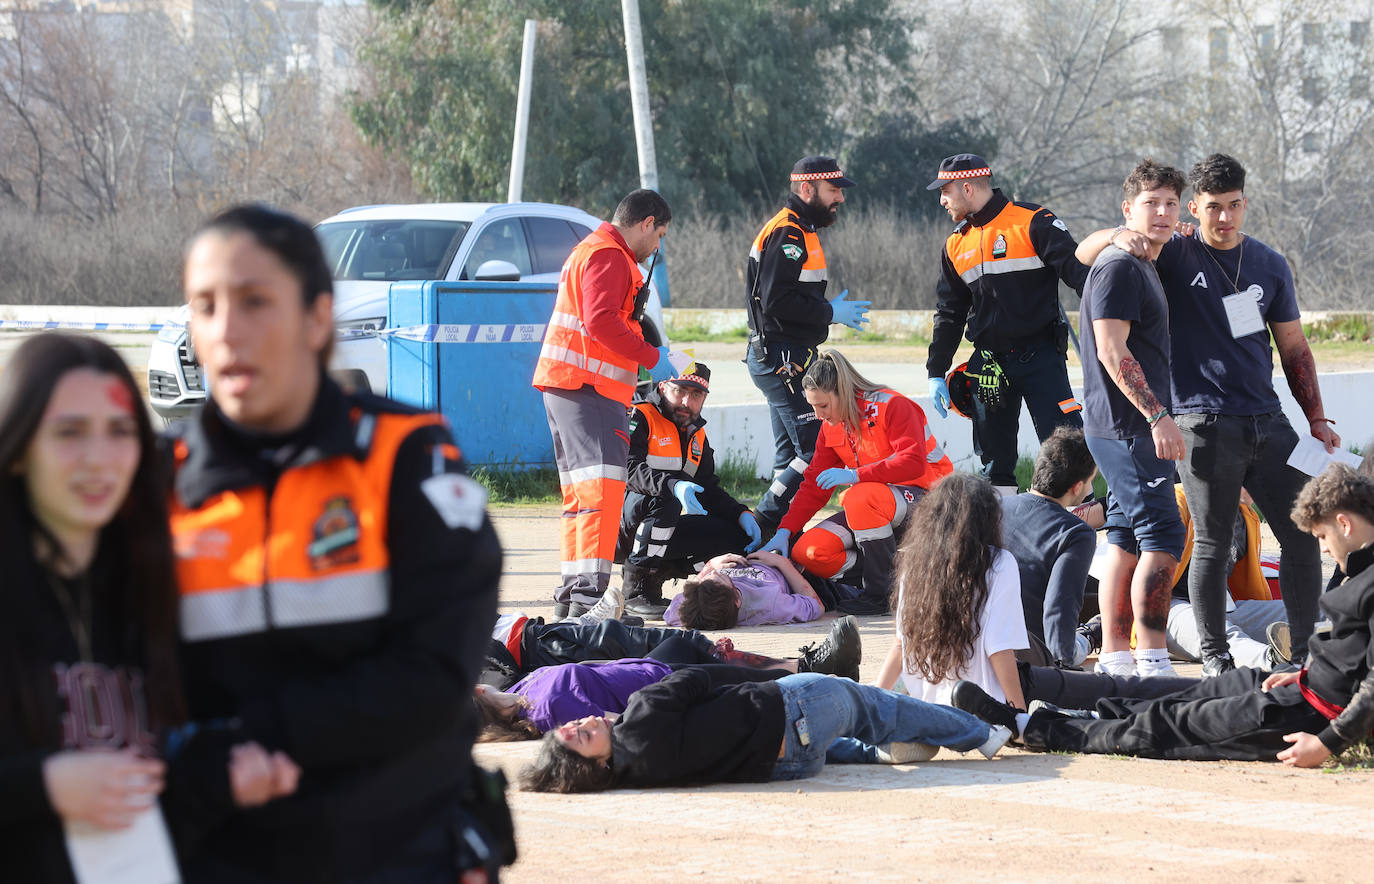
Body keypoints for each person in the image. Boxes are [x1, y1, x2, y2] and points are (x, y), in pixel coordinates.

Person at [171, 204, 505, 882]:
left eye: (256, 302)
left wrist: (250, 737)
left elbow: (434, 675)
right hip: (222, 853)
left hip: (395, 852)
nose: (227, 331)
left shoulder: (403, 455)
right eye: (204, 306)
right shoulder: (161, 483)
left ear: (318, 317)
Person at [0, 333, 296, 883]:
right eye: (69, 433)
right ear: (18, 449)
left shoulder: (153, 591)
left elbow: (162, 794)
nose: (99, 458)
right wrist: (46, 785)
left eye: (120, 431)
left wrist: (223, 778)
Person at [1075, 154, 1336, 673]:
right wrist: (1116, 234)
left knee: (1303, 531)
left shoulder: (1269, 264)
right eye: (1213, 207)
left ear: (1245, 205)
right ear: (1197, 208)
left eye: (1235, 206)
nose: (1225, 218)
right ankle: (1216, 657)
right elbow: (1083, 255)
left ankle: (1304, 654)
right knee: (1212, 540)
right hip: (1200, 421)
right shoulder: (1172, 250)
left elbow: (1295, 348)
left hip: (1267, 419)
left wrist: (1316, 417)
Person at [953, 464, 1374, 768]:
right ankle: (1076, 714)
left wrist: (1328, 743)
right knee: (1169, 694)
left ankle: (1030, 727)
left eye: (1322, 537)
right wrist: (1304, 668)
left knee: (1165, 726)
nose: (1321, 548)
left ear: (1345, 523)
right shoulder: (1356, 568)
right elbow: (1347, 649)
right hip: (1294, 687)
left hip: (1302, 715)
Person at [533, 188, 678, 619]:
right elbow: (601, 321)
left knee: (581, 498)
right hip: (590, 390)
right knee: (602, 494)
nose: (658, 246)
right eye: (660, 234)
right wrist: (654, 357)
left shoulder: (591, 250)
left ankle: (574, 595)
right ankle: (589, 600)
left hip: (572, 387)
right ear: (647, 222)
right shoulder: (611, 255)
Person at [519, 668, 1013, 793]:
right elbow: (697, 675)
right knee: (877, 705)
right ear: (597, 764)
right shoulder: (640, 713)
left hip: (788, 765)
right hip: (793, 711)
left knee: (845, 732)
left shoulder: (636, 775)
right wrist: (771, 680)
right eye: (581, 736)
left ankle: (873, 753)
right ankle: (980, 734)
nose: (582, 722)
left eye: (573, 724)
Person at [1077, 158, 1189, 678]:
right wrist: (1158, 416)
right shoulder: (1122, 264)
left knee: (1123, 536)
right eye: (1151, 203)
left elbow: (1082, 250)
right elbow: (1111, 349)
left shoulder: (1142, 259)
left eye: (1170, 203)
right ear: (1128, 209)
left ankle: (1118, 658)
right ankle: (1153, 658)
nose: (1162, 212)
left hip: (1117, 426)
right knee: (1164, 536)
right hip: (1130, 428)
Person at [924, 153, 1089, 495]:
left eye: (946, 191)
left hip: (1041, 356)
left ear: (967, 188)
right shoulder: (955, 243)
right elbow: (950, 312)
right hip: (988, 365)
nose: (941, 200)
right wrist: (935, 371)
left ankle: (1077, 529)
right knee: (993, 464)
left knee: (1068, 450)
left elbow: (1082, 277)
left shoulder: (1033, 221)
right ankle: (998, 537)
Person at [759, 350, 952, 615]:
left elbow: (913, 463)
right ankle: (901, 574)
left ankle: (881, 594)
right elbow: (814, 485)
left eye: (823, 406)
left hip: (932, 501)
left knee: (859, 496)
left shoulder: (892, 405)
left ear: (843, 392)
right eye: (813, 406)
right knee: (809, 552)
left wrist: (854, 476)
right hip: (878, 511)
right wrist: (785, 531)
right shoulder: (831, 426)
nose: (818, 415)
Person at [745, 156, 870, 531]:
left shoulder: (800, 230)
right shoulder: (790, 233)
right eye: (833, 190)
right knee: (813, 449)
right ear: (806, 189)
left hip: (785, 356)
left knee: (791, 458)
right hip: (783, 359)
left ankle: (771, 534)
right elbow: (777, 301)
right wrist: (829, 311)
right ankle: (763, 523)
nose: (840, 199)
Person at [619, 363, 762, 618]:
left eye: (696, 395)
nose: (687, 401)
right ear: (663, 387)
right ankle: (636, 588)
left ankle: (662, 572)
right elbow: (627, 470)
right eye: (680, 391)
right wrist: (673, 485)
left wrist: (741, 514)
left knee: (736, 537)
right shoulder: (641, 415)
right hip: (622, 525)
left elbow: (708, 489)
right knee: (666, 499)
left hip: (662, 526)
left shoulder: (697, 434)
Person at [480, 611, 862, 689]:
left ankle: (805, 668)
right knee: (679, 653)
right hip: (537, 654)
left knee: (682, 649)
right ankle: (808, 668)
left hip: (540, 635)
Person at [473, 659, 789, 740]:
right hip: (668, 686)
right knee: (769, 683)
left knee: (715, 655)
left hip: (651, 667)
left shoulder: (522, 688)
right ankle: (822, 674)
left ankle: (812, 666)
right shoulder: (549, 713)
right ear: (477, 693)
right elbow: (618, 722)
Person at [1000, 427, 1099, 667]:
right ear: (1077, 487)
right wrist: (1088, 638)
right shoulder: (1075, 532)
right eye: (1090, 482)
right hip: (1029, 654)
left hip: (978, 642)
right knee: (1101, 622)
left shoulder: (994, 507)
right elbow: (1059, 609)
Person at [665, 551, 841, 630]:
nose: (715, 573)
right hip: (790, 568)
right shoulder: (770, 604)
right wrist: (782, 563)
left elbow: (670, 615)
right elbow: (816, 606)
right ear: (737, 600)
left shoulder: (690, 610)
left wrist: (711, 565)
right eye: (722, 578)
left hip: (748, 552)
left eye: (705, 579)